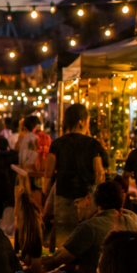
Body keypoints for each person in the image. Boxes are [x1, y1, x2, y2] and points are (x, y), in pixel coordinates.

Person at [41, 179, 137, 273]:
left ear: (94, 201)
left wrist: (38, 262)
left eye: (77, 202)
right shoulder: (134, 218)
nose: (76, 206)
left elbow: (61, 258)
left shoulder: (90, 226)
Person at [44, 104, 108, 245]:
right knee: (87, 237)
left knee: (64, 240)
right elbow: (99, 173)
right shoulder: (93, 144)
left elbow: (48, 174)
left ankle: (62, 265)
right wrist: (99, 198)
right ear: (83, 121)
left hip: (63, 197)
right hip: (88, 200)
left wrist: (45, 192)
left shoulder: (57, 144)